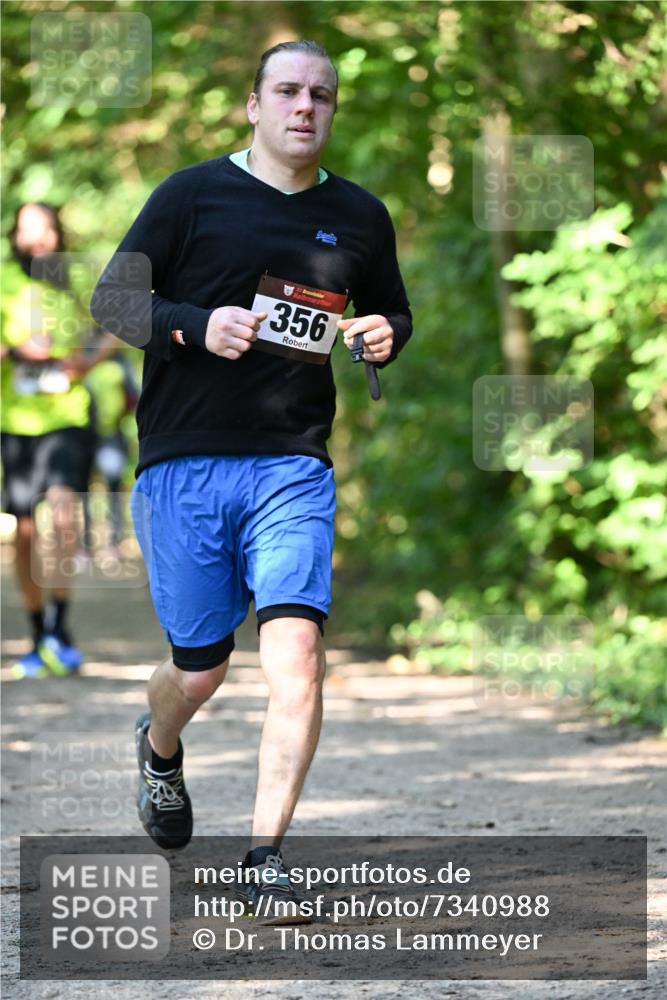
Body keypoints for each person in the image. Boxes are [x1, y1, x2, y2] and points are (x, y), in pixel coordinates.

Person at [91, 39, 412, 921]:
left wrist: (387, 333)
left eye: (321, 95)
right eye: (287, 91)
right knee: (198, 673)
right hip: (184, 461)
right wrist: (196, 325)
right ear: (253, 104)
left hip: (291, 462)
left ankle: (265, 856)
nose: (304, 107)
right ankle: (159, 751)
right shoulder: (191, 195)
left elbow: (391, 307)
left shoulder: (358, 215)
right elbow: (114, 302)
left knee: (297, 656)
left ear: (332, 109)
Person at [1, 203, 107, 678]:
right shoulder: (4, 279)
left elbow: (115, 325)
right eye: (27, 229)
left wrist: (84, 361)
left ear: (58, 233)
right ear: (15, 236)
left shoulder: (76, 279)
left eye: (44, 228)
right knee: (24, 531)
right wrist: (16, 351)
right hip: (17, 421)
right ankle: (36, 631)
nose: (37, 237)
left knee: (64, 515)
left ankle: (61, 629)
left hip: (68, 414)